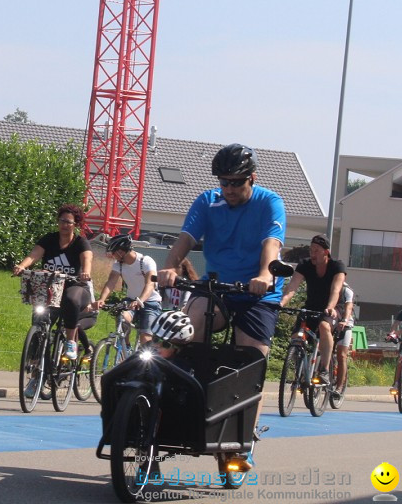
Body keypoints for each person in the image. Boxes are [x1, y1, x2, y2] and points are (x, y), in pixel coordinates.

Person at [156, 143, 286, 472]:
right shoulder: (207, 201)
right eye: (223, 181)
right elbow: (185, 239)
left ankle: (243, 443)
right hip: (216, 287)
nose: (228, 189)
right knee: (183, 332)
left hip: (257, 293)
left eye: (235, 182)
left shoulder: (270, 202)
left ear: (251, 178)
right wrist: (170, 267)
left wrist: (263, 275)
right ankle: (170, 403)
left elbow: (271, 244)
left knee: (252, 360)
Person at [12, 204, 94, 361]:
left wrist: (86, 272)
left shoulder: (80, 243)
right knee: (39, 320)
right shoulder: (49, 239)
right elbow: (34, 255)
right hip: (50, 287)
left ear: (75, 224)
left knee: (71, 299)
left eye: (68, 222)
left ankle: (70, 342)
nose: (64, 225)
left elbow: (87, 258)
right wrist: (22, 266)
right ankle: (35, 364)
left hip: (74, 285)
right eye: (61, 220)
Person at [279, 234, 345, 385]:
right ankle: (298, 367)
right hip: (311, 307)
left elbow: (335, 290)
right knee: (297, 335)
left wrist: (330, 307)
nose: (312, 254)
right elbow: (292, 287)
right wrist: (281, 303)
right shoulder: (305, 265)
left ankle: (324, 370)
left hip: (333, 308)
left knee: (324, 326)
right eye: (311, 250)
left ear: (326, 252)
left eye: (316, 250)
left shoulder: (337, 266)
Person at [94, 234, 163, 345]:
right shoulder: (118, 266)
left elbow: (150, 284)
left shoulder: (145, 261)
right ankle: (125, 349)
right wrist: (102, 299)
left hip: (151, 302)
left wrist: (140, 300)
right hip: (131, 301)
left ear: (121, 252)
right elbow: (111, 283)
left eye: (114, 252)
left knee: (145, 337)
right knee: (122, 319)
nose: (112, 255)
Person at [332, 281, 356, 402]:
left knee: (341, 355)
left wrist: (345, 320)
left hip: (345, 324)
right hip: (331, 322)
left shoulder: (347, 290)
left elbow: (349, 306)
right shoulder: (327, 286)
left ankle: (339, 387)